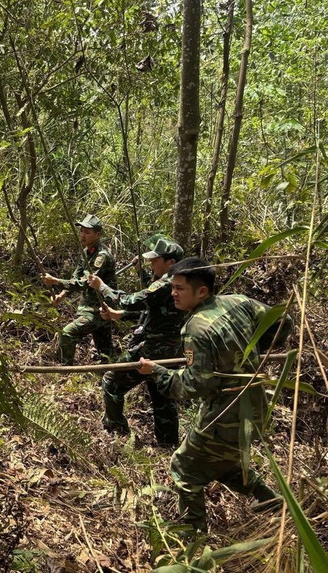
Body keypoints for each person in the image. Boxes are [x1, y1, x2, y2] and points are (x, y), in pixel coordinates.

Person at [137, 257, 292, 534]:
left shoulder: (195, 328)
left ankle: (193, 534)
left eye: (179, 288)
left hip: (224, 413)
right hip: (255, 404)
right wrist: (256, 350)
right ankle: (271, 501)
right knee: (222, 460)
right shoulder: (239, 302)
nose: (173, 293)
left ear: (202, 291)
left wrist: (157, 372)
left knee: (184, 468)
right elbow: (283, 321)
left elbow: (195, 384)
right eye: (172, 287)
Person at [87, 238, 185, 446]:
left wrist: (102, 287)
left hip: (153, 349)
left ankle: (116, 432)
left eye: (155, 260)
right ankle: (168, 445)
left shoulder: (167, 284)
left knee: (112, 381)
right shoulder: (181, 285)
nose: (152, 264)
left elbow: (131, 300)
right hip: (172, 350)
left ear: (171, 263)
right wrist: (119, 315)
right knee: (163, 398)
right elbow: (152, 310)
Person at [42, 214, 116, 364]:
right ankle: (109, 376)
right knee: (106, 352)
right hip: (88, 307)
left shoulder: (102, 256)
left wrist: (56, 281)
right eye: (81, 231)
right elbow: (76, 276)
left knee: (67, 333)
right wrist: (61, 296)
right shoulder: (86, 251)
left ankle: (64, 370)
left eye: (87, 232)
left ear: (98, 234)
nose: (82, 235)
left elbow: (84, 282)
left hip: (99, 309)